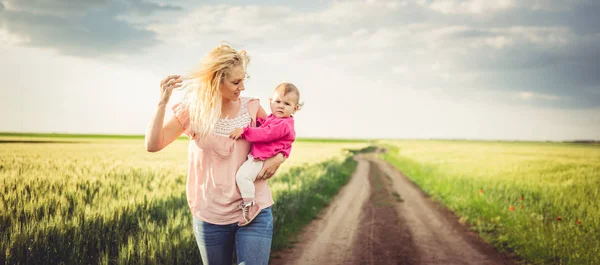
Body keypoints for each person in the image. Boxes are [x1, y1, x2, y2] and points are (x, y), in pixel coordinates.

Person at [144, 42, 286, 265]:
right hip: (210, 215)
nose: (242, 88)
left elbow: (281, 135)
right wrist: (162, 103)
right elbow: (153, 144)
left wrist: (279, 157)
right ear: (215, 80)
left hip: (254, 210)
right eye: (236, 82)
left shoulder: (251, 108)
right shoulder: (194, 112)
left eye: (243, 80)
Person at [229, 83, 302, 226]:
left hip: (262, 159)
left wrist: (244, 131)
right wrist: (260, 122)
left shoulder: (284, 124)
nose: (281, 106)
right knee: (243, 176)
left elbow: (266, 133)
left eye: (287, 103)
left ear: (295, 108)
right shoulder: (275, 118)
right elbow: (266, 126)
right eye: (277, 101)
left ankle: (250, 206)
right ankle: (249, 203)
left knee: (242, 177)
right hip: (260, 156)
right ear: (270, 101)